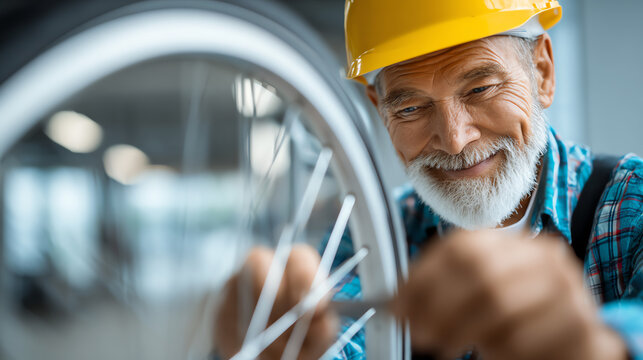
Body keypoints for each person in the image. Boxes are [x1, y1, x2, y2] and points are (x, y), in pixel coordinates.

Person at [214, 1, 643, 359]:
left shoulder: (632, 205)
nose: (455, 140)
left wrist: (603, 347)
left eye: (481, 89)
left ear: (543, 73)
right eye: (410, 109)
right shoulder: (375, 240)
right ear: (379, 110)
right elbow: (337, 345)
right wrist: (264, 341)